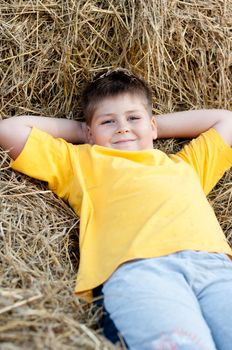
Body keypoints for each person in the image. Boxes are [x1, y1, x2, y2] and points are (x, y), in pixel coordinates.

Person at [0, 69, 232, 350]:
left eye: (133, 118)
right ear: (88, 131)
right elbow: (9, 130)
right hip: (140, 271)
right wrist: (84, 133)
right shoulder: (80, 163)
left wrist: (149, 126)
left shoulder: (186, 166)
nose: (122, 128)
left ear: (152, 125)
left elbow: (227, 120)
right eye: (108, 121)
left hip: (214, 267)